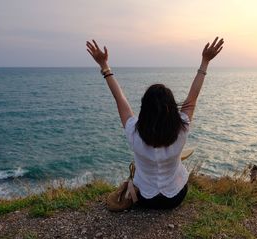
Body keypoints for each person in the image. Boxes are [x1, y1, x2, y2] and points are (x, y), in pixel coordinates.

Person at [86, 37, 224, 210]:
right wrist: (205, 62)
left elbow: (119, 98)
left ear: (144, 109)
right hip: (175, 197)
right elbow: (192, 97)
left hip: (146, 198)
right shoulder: (182, 127)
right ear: (172, 109)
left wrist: (104, 66)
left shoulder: (133, 132)